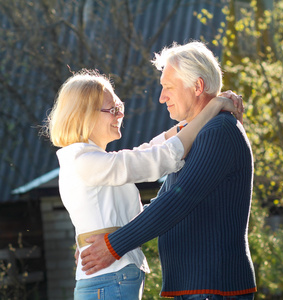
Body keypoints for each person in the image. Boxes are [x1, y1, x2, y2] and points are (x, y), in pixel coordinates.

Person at [45, 68, 242, 300]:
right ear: (85, 114)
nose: (120, 115)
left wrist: (188, 123)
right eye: (113, 109)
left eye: (121, 108)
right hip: (109, 279)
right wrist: (211, 110)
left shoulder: (91, 159)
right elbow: (157, 159)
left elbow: (145, 152)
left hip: (111, 278)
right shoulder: (84, 161)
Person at [80, 41, 257, 300]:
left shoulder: (218, 132)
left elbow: (176, 202)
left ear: (197, 86)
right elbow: (162, 202)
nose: (162, 97)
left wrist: (112, 247)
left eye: (168, 87)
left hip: (214, 288)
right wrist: (98, 240)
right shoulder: (199, 134)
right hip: (199, 287)